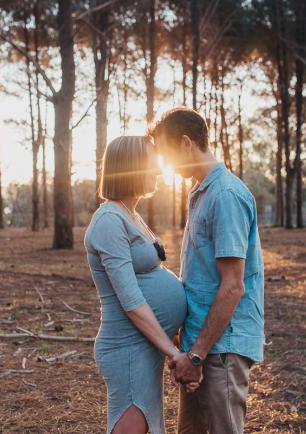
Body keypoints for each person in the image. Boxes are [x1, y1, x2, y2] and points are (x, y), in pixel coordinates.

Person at [149, 107, 265, 434]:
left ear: (186, 144)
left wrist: (197, 355)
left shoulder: (226, 195)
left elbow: (232, 286)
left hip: (221, 347)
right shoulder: (200, 192)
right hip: (198, 343)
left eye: (167, 156)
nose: (166, 167)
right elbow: (201, 276)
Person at [84, 135, 195, 434]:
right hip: (126, 348)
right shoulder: (108, 219)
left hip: (145, 346)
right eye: (151, 164)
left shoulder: (129, 214)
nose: (159, 171)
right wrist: (174, 354)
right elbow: (131, 300)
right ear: (131, 168)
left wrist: (171, 342)